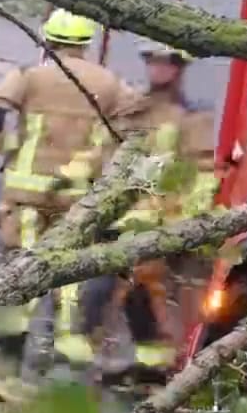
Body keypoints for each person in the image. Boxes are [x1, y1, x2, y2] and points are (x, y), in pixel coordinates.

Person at [0, 9, 136, 396]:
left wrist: (9, 150)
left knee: (18, 284)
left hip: (27, 201)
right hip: (78, 206)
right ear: (87, 42)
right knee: (71, 290)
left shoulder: (30, 76)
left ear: (48, 41)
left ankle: (5, 373)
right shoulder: (110, 82)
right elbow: (141, 130)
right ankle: (64, 382)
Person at [78, 41, 220, 386]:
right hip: (116, 220)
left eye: (166, 64)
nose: (158, 70)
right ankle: (135, 364)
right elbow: (103, 156)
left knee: (126, 293)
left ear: (178, 69)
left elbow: (201, 176)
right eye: (153, 63)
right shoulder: (132, 110)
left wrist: (183, 224)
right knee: (115, 294)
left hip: (155, 225)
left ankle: (140, 366)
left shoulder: (191, 118)